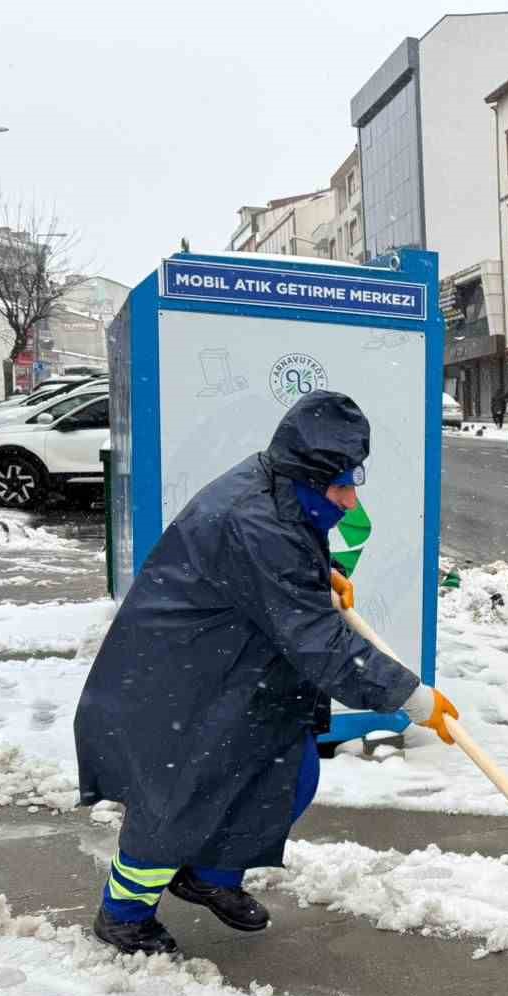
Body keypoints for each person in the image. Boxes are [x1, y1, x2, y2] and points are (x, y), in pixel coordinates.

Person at [75, 390, 459, 957]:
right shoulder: (256, 521)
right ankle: (124, 915)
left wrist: (316, 569)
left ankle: (211, 873)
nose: (351, 503)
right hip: (186, 675)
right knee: (174, 802)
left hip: (239, 662)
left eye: (354, 482)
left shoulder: (279, 487)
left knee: (288, 771)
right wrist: (409, 695)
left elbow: (280, 558)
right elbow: (317, 642)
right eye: (341, 488)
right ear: (306, 477)